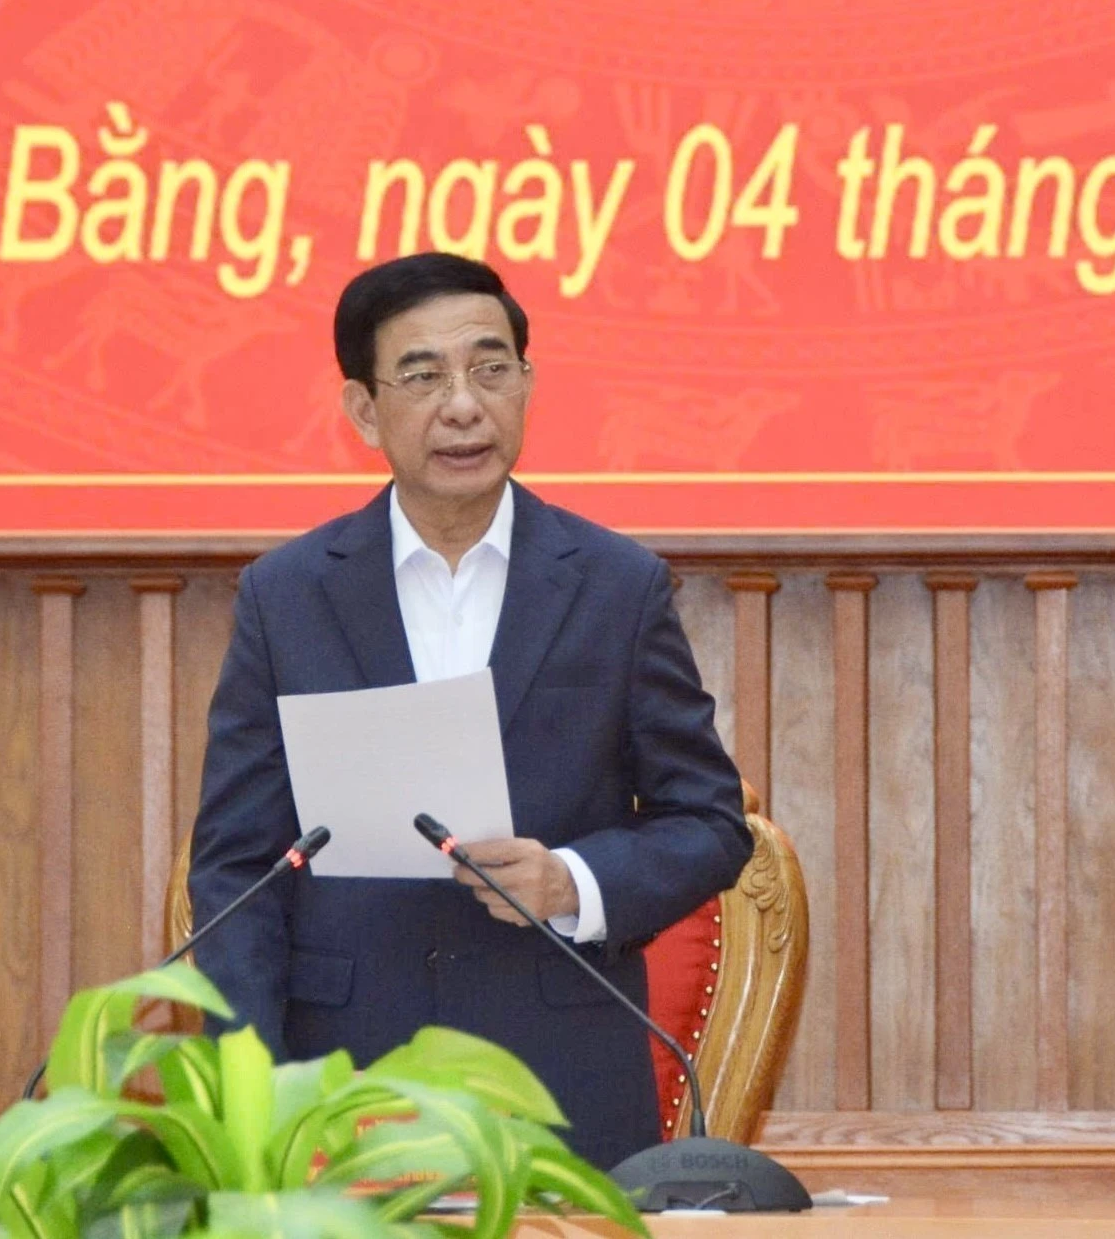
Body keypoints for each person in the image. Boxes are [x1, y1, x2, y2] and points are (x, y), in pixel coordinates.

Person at [189, 253, 753, 1171]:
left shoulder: (617, 587)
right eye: (422, 375)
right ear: (364, 411)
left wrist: (571, 881)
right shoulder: (286, 597)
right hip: (339, 1089)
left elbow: (710, 826)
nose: (463, 404)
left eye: (491, 369)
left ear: (527, 386)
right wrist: (248, 1093)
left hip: (560, 1085)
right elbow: (240, 866)